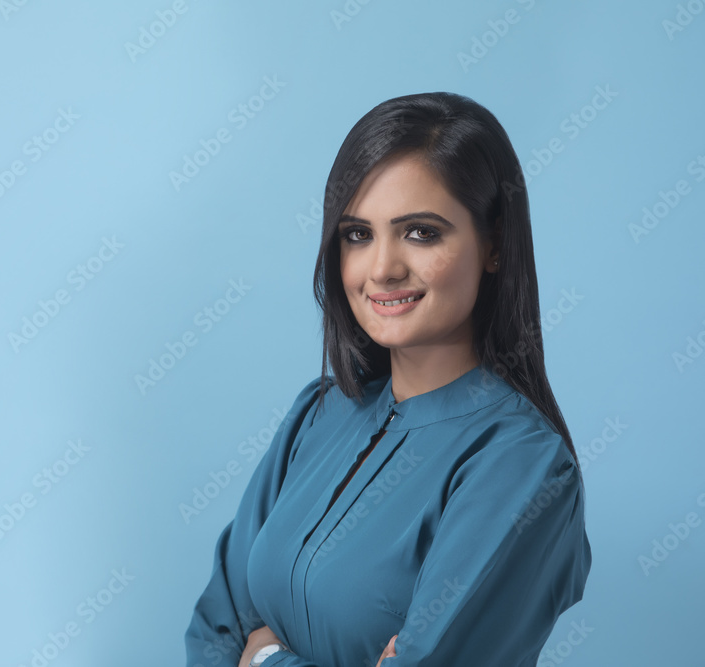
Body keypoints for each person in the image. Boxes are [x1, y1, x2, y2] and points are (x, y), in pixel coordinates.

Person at [183, 92, 592, 667]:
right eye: (358, 234)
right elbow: (216, 630)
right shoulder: (318, 415)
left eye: (421, 232)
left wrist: (266, 657)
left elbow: (246, 648)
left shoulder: (521, 467)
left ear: (495, 244)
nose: (381, 269)